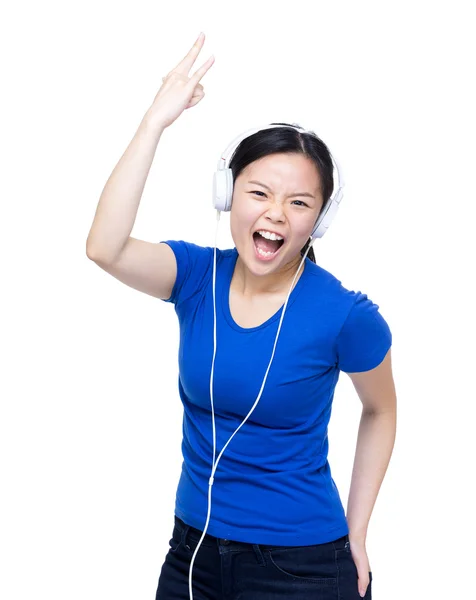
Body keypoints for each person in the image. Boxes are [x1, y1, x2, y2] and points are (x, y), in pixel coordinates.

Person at [86, 32, 397, 600]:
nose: (275, 214)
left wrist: (358, 530)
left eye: (299, 202)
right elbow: (105, 248)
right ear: (229, 196)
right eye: (259, 193)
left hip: (300, 567)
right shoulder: (193, 277)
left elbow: (381, 411)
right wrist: (154, 122)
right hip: (192, 554)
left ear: (319, 220)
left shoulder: (346, 315)